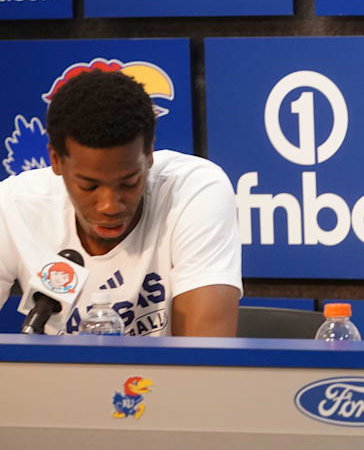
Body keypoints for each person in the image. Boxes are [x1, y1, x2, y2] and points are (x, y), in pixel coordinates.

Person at [0, 69, 242, 336]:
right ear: (55, 160)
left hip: (167, 379)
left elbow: (205, 361)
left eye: (129, 183)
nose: (110, 206)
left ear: (149, 154)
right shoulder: (15, 205)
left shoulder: (193, 191)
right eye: (89, 186)